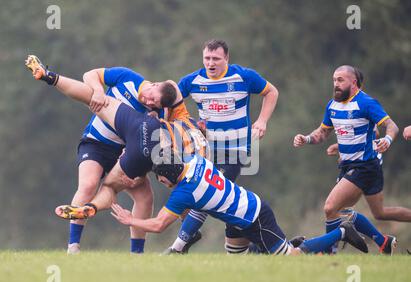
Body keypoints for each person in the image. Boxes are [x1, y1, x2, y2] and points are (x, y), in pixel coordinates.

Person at [25, 55, 209, 244]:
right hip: (96, 144)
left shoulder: (159, 113)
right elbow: (90, 74)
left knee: (145, 197)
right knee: (89, 185)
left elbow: (157, 150)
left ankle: (136, 253)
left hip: (125, 152)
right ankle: (73, 245)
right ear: (154, 84)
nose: (150, 102)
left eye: (155, 104)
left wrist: (139, 174)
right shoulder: (128, 77)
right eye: (152, 97)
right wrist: (98, 90)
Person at [56, 154, 369, 256]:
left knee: (292, 257)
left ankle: (341, 233)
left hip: (254, 215)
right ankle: (278, 247)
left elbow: (158, 225)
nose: (162, 186)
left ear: (166, 180)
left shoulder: (184, 193)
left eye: (161, 182)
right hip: (240, 214)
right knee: (233, 258)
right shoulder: (197, 161)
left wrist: (129, 221)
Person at [167, 39, 280, 254]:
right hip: (207, 151)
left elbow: (272, 92)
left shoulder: (243, 76)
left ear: (226, 58)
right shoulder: (193, 80)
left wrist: (262, 121)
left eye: (216, 59)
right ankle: (261, 245)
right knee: (199, 191)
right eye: (207, 58)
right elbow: (170, 98)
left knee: (207, 190)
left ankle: (178, 247)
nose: (211, 63)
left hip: (236, 150)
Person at [293, 65, 411, 254]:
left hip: (364, 167)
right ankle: (383, 242)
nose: (336, 84)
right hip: (350, 166)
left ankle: (329, 251)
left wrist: (388, 140)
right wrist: (306, 138)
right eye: (334, 80)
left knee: (330, 208)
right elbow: (323, 132)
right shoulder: (332, 105)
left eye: (340, 80)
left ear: (353, 83)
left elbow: (391, 126)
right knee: (378, 213)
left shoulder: (366, 103)